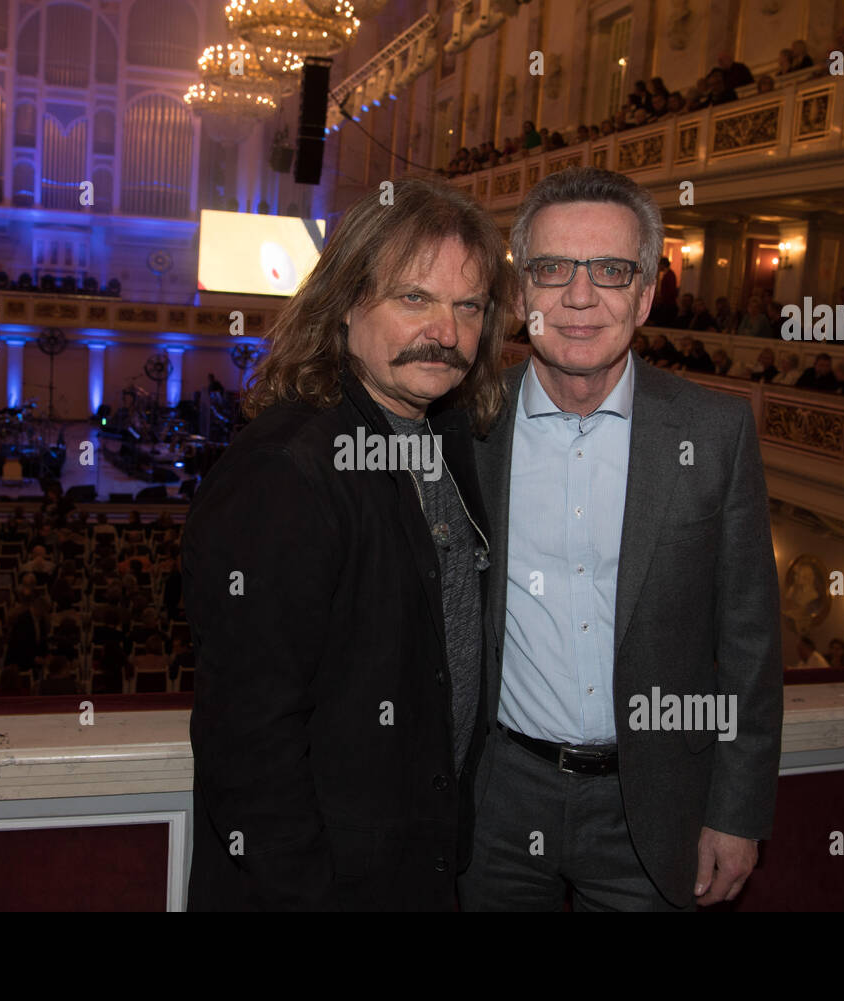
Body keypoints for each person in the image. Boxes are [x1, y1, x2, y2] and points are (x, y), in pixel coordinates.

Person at [184, 177, 515, 911]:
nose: (448, 331)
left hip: (421, 867)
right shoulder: (287, 469)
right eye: (414, 298)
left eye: (468, 306)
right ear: (343, 306)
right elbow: (249, 737)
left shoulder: (448, 441)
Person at [461, 167, 782, 912]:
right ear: (520, 295)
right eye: (550, 269)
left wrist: (736, 811)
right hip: (499, 799)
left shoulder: (714, 431)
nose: (579, 297)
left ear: (644, 295)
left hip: (658, 805)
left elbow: (750, 642)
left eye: (610, 271)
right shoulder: (468, 427)